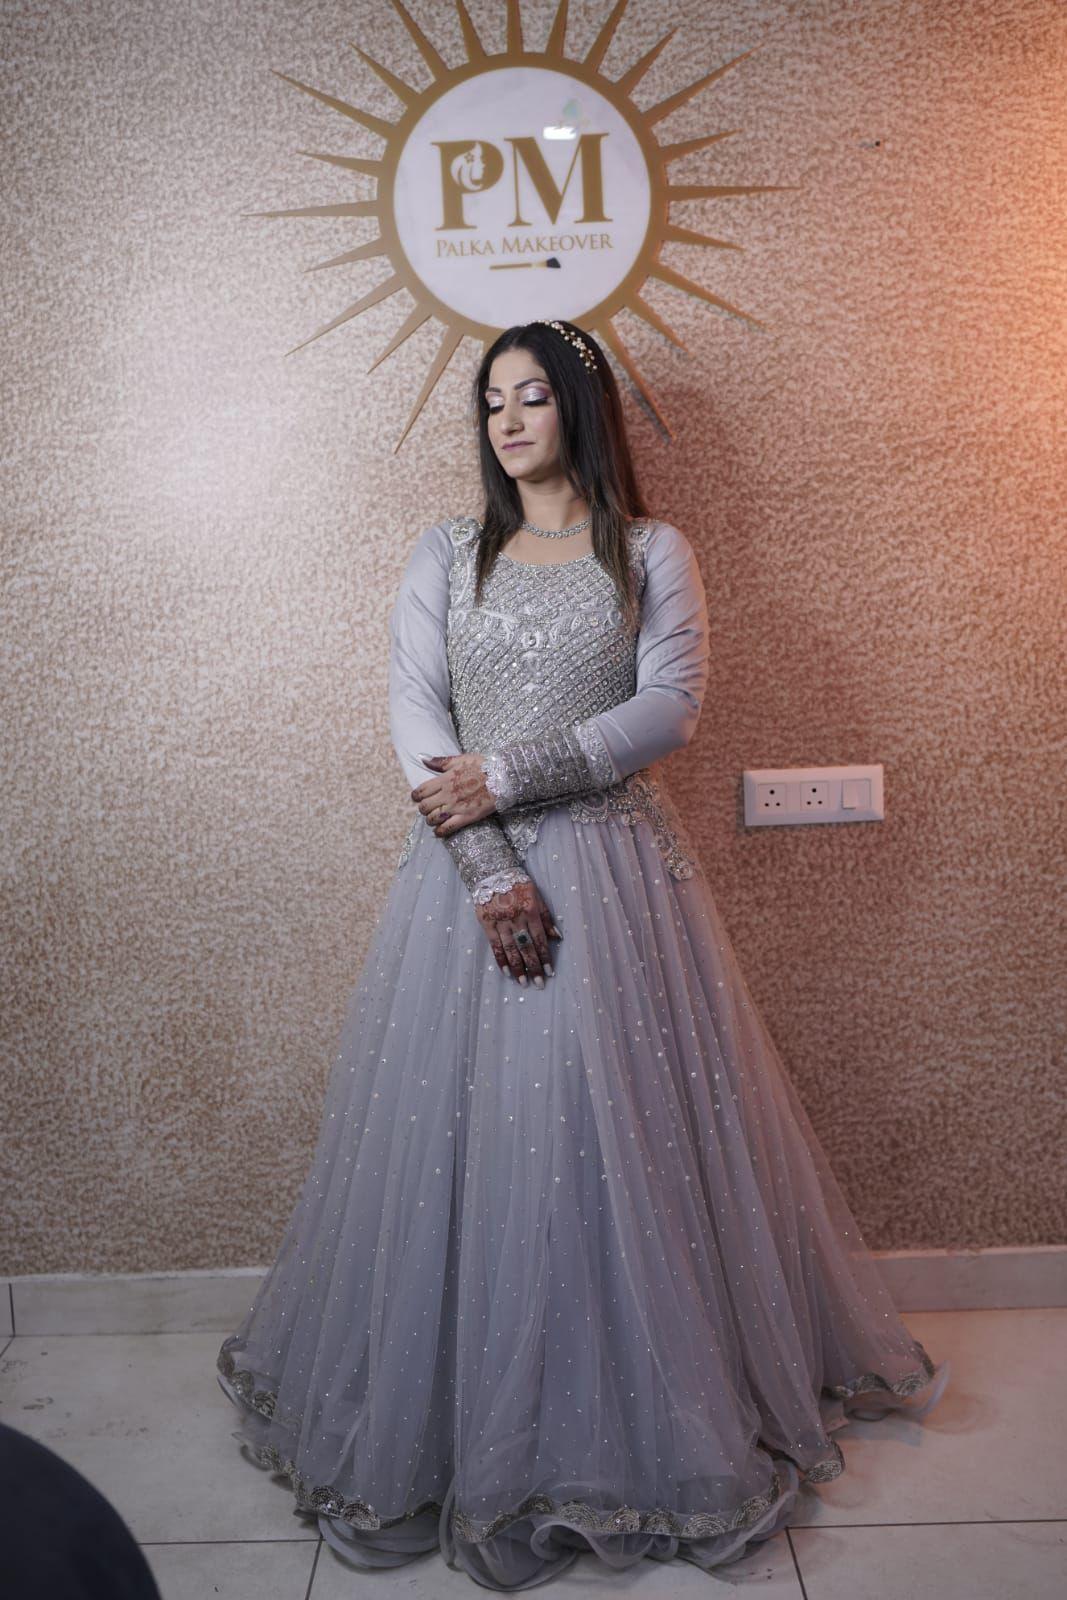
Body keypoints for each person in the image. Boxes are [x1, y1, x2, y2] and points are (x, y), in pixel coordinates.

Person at [216, 318, 950, 1591]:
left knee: (608, 1140)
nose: (506, 422)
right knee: (468, 1145)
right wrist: (488, 865)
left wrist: (504, 773)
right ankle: (463, 1419)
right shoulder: (445, 553)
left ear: (580, 409)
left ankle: (624, 1422)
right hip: (464, 882)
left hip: (614, 881)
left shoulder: (650, 550)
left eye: (532, 397)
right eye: (490, 402)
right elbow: (412, 708)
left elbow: (669, 708)